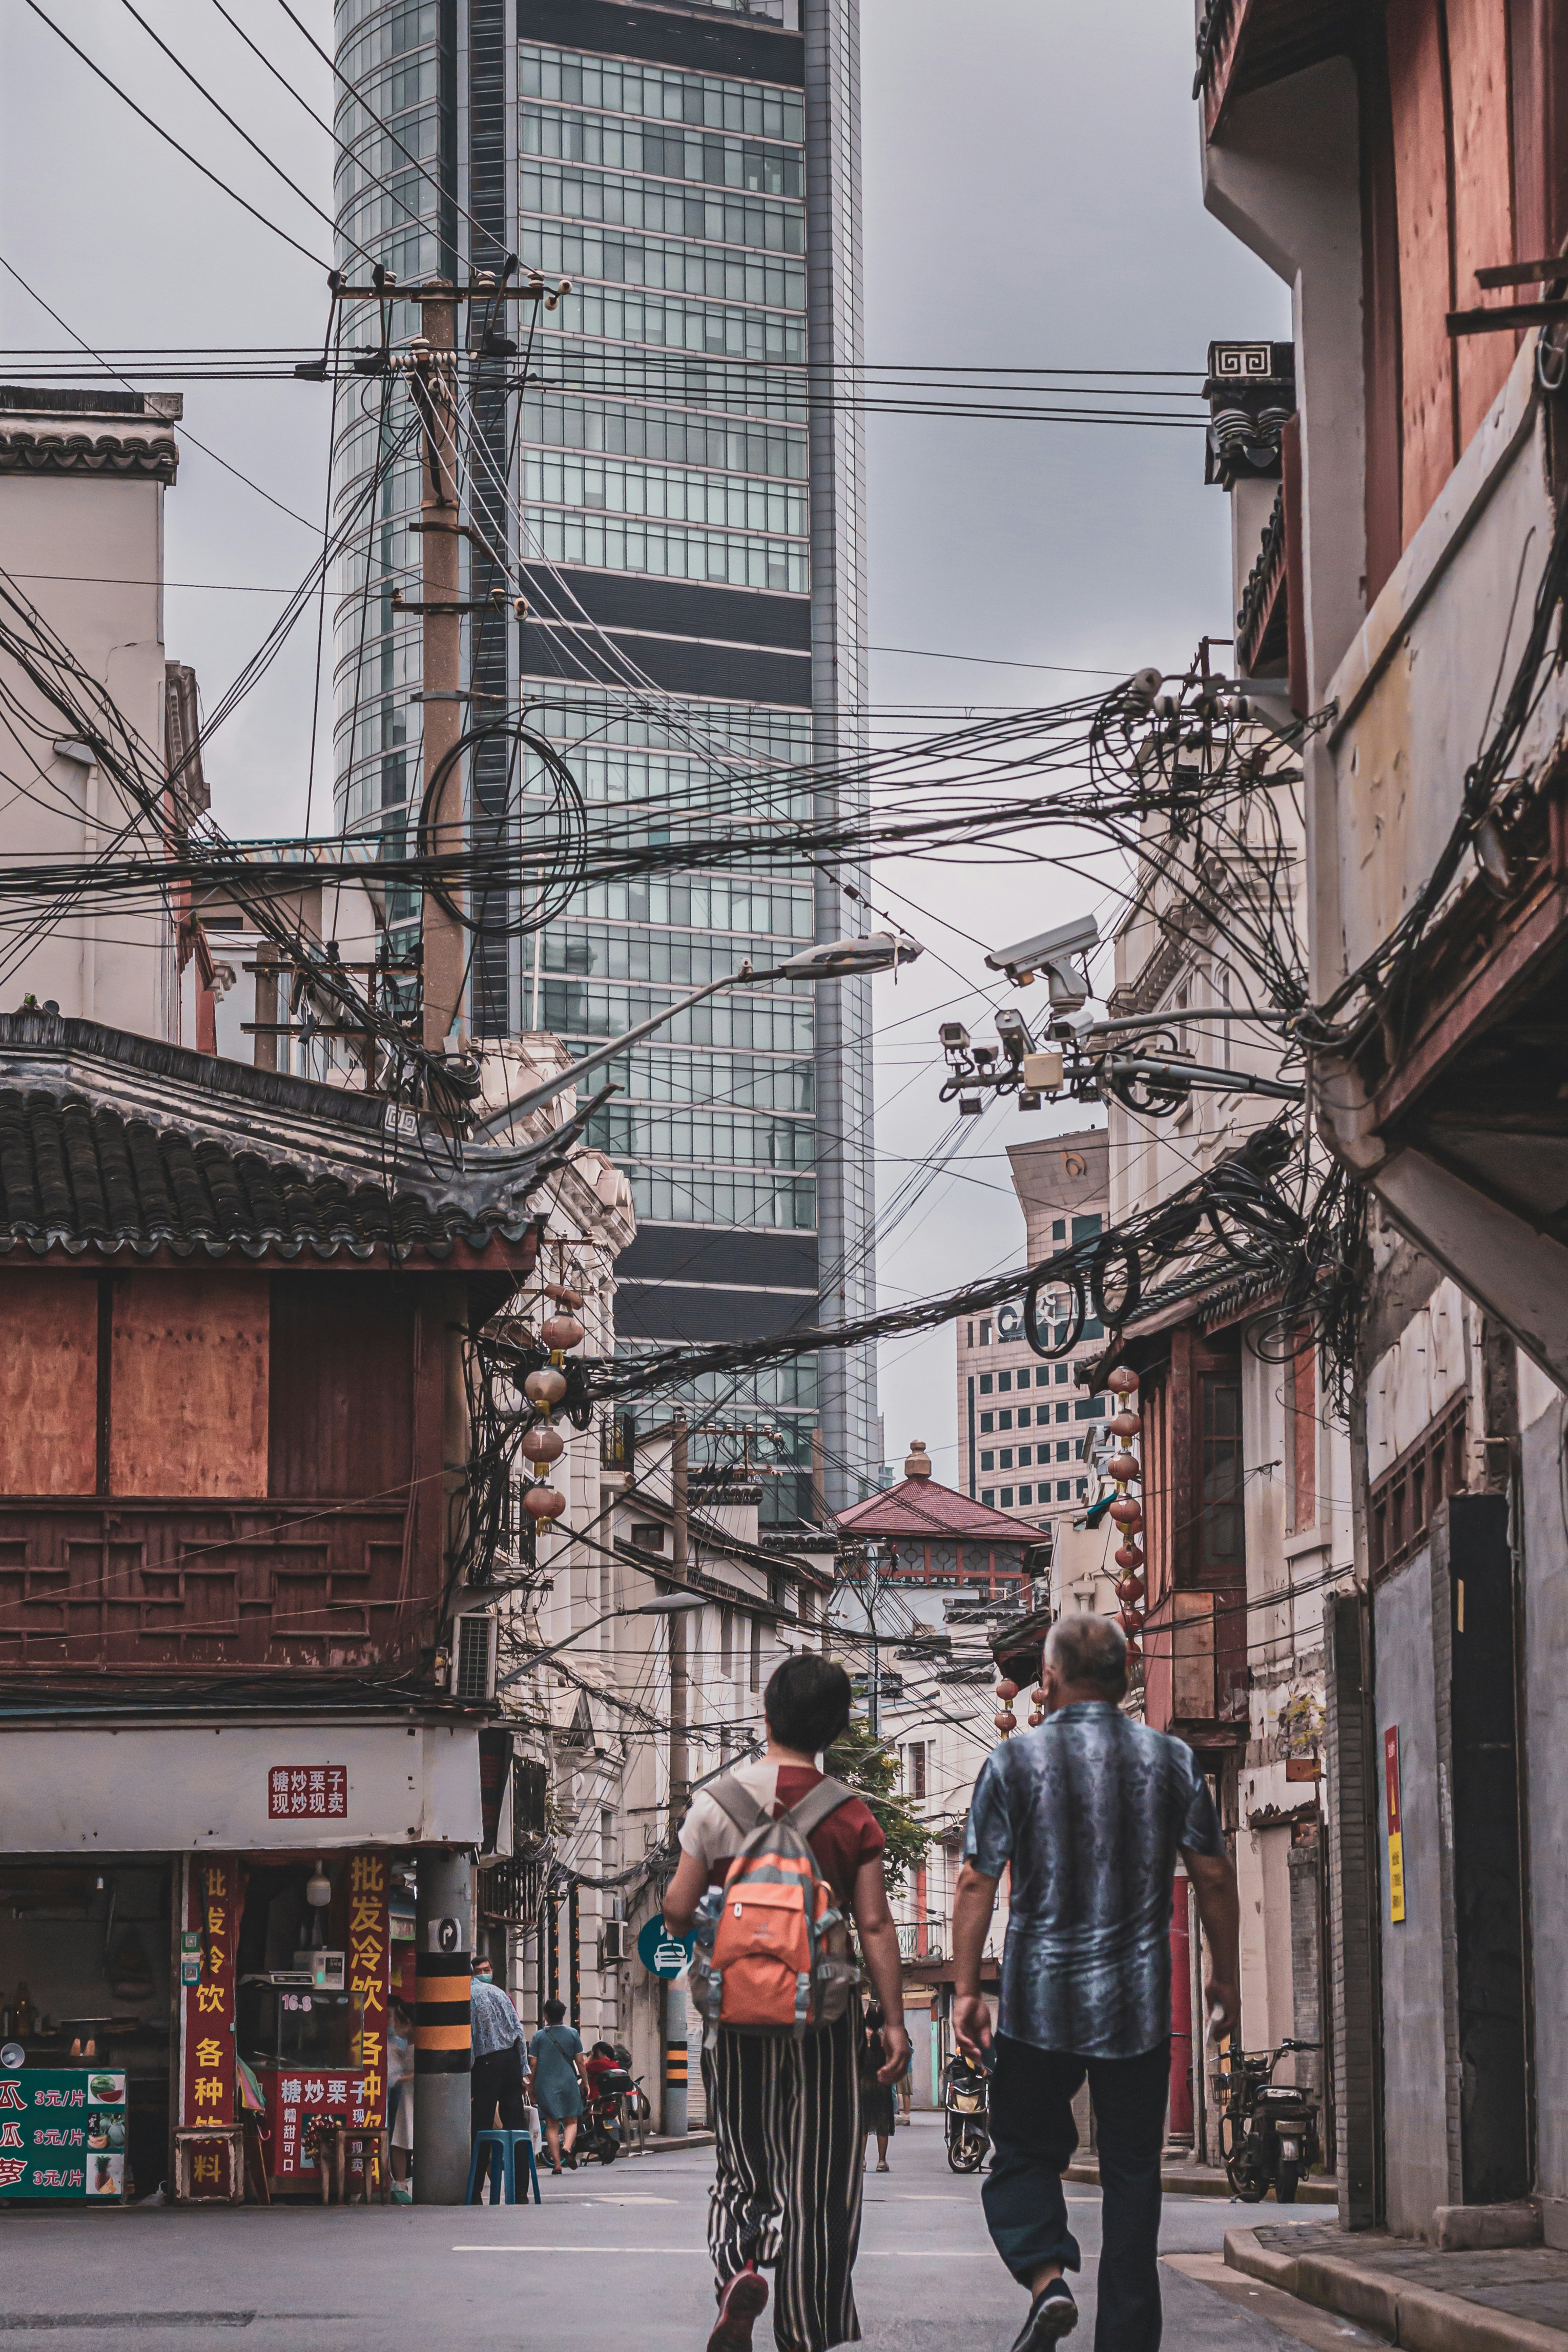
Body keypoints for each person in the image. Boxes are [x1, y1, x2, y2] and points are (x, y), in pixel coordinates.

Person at [952, 1612, 1241, 2352]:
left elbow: (975, 1882)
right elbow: (1212, 1874)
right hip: (1136, 2007)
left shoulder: (1013, 1763)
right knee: (1134, 2177)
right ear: (1126, 1678)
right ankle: (1126, 2340)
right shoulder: (1171, 1762)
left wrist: (964, 1991)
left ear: (1046, 1681)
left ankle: (1048, 2280)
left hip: (1037, 2004)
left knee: (1020, 2152)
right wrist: (1226, 1981)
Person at [662, 1653, 911, 2352]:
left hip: (736, 2016)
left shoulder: (716, 1804)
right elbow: (876, 1925)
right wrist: (893, 2022)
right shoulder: (850, 1814)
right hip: (824, 2023)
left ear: (765, 1714)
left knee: (742, 2163)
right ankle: (803, 2330)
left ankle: (739, 2263)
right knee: (822, 2177)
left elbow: (677, 1907)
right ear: (835, 1725)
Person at [470, 1964, 529, 2165]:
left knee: (481, 2126)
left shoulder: (468, 1995)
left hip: (486, 2062)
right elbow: (518, 2031)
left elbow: (469, 2039)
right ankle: (521, 2190)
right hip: (511, 2059)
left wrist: (468, 2076)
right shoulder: (499, 1993)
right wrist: (523, 2070)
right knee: (516, 2125)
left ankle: (475, 2190)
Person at [527, 1998, 587, 2174]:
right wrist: (585, 2081)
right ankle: (567, 2148)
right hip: (568, 2081)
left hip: (545, 2084)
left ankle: (557, 2165)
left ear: (545, 2016)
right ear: (563, 2014)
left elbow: (533, 2064)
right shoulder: (573, 2034)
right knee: (571, 2120)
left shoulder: (539, 2036)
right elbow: (580, 2061)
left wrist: (531, 2086)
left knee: (552, 2124)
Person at [859, 2003, 896, 2173]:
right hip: (881, 2087)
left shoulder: (860, 2040)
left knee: (863, 2124)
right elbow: (890, 2063)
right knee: (883, 2124)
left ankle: (862, 2160)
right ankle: (882, 2161)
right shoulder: (886, 2041)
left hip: (863, 2085)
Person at [387, 1997, 414, 2200]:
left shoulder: (416, 2045)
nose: (393, 2025)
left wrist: (403, 2078)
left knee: (403, 2140)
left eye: (395, 2020)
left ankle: (402, 2184)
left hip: (412, 2096)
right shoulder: (408, 2045)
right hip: (407, 2097)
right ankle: (400, 2184)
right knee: (399, 2141)